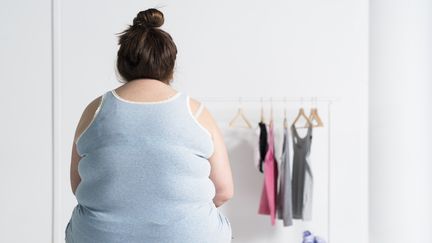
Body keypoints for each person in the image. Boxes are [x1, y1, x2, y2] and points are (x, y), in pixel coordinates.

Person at [65, 8, 234, 243]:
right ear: (170, 67)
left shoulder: (94, 110)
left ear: (121, 65)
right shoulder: (197, 112)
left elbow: (78, 186)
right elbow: (224, 191)